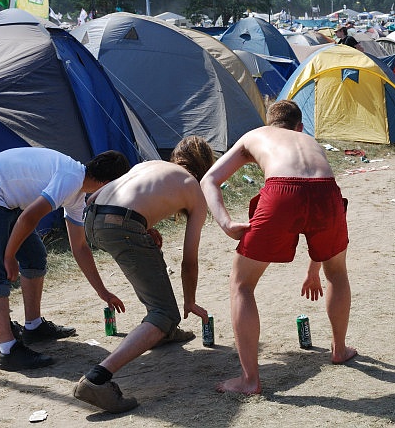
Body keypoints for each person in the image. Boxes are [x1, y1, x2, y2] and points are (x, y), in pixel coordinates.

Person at [199, 100, 356, 395]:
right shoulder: (310, 141)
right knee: (337, 273)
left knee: (242, 285)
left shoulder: (254, 136)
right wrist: (314, 268)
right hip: (327, 191)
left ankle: (249, 380)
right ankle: (339, 348)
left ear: (270, 125)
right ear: (299, 127)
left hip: (282, 191)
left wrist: (226, 223)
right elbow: (311, 193)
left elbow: (209, 179)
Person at [74, 136, 214, 413]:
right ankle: (97, 379)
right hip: (122, 224)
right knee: (166, 314)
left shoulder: (153, 165)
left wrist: (143, 226)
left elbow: (99, 197)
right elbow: (189, 260)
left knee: (150, 250)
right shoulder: (193, 188)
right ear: (204, 167)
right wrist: (190, 301)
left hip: (92, 216)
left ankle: (162, 333)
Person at [0, 147, 130, 371]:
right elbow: (29, 217)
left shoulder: (78, 192)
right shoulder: (71, 180)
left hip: (4, 196)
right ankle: (7, 350)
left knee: (34, 257)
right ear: (107, 183)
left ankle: (33, 327)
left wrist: (103, 292)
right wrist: (10, 255)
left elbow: (79, 247)